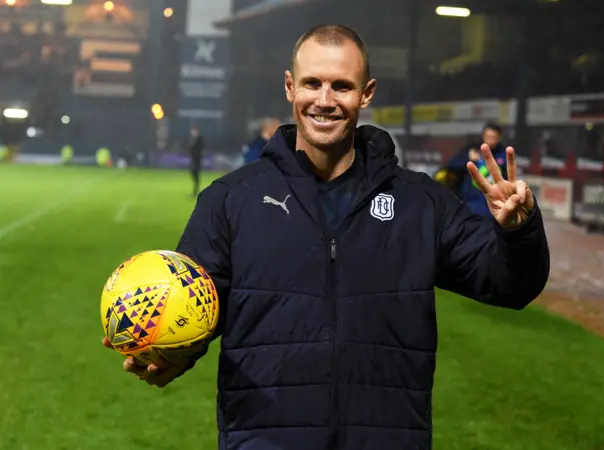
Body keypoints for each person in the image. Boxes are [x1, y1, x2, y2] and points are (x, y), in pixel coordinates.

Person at [103, 24, 550, 450]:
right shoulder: (230, 201)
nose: (325, 100)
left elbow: (508, 285)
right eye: (312, 83)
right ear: (289, 87)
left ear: (366, 94)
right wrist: (170, 358)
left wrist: (518, 231)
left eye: (342, 86)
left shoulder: (419, 203)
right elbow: (194, 306)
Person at [444, 122, 508, 218]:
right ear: (483, 136)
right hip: (469, 204)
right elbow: (451, 166)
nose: (490, 140)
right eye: (488, 137)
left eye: (493, 138)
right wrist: (468, 159)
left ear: (498, 138)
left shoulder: (503, 155)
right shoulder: (471, 150)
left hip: (491, 208)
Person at [188, 126, 205, 197]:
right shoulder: (195, 139)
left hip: (197, 160)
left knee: (196, 175)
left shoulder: (199, 139)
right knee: (194, 174)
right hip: (194, 160)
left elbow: (201, 147)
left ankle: (195, 192)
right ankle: (195, 191)